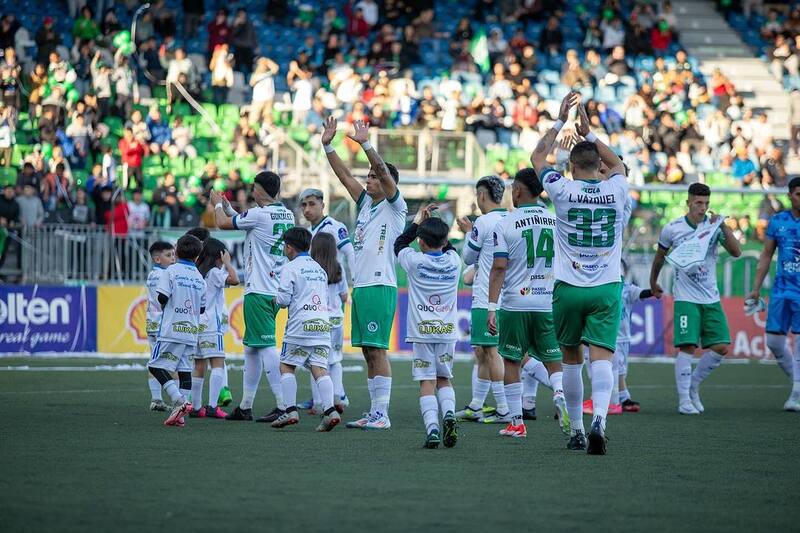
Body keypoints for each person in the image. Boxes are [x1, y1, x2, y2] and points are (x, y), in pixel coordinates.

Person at [531, 92, 628, 455]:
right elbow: (617, 165)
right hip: (606, 286)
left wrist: (560, 121)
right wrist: (589, 134)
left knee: (571, 357)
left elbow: (537, 157)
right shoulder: (617, 189)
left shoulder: (563, 190)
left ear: (571, 167)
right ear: (595, 165)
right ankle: (600, 418)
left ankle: (576, 430)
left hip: (568, 286)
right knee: (602, 356)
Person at [321, 117, 407, 430]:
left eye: (373, 177)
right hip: (363, 287)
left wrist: (366, 144)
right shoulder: (366, 204)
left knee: (378, 349)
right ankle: (374, 411)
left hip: (380, 285)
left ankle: (382, 414)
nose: (368, 180)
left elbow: (383, 171)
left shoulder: (396, 206)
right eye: (368, 177)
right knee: (368, 351)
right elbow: (344, 176)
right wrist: (328, 146)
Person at [485, 168, 569, 439]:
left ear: (518, 190)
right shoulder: (555, 221)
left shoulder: (506, 223)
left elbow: (499, 267)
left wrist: (490, 307)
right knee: (553, 358)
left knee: (511, 360)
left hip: (515, 303)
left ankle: (517, 423)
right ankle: (558, 391)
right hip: (548, 301)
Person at [650, 183, 742, 415]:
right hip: (685, 297)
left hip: (710, 296)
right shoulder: (672, 228)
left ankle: (693, 385)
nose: (703, 208)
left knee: (721, 347)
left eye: (706, 204)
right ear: (688, 202)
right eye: (699, 203)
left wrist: (723, 226)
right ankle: (683, 401)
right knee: (688, 346)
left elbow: (736, 252)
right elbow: (660, 257)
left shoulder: (713, 228)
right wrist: (653, 281)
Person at [210, 171, 293, 423]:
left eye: (253, 187)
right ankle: (246, 405)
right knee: (251, 349)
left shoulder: (258, 214)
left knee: (266, 346)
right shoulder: (286, 213)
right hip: (275, 286)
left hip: (259, 288)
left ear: (259, 190)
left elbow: (222, 225)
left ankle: (283, 405)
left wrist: (215, 204)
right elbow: (246, 221)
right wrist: (228, 207)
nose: (250, 191)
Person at [395, 205, 460, 448]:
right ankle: (450, 414)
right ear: (444, 241)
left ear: (421, 242)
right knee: (444, 378)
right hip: (446, 332)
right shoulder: (454, 261)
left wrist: (417, 223)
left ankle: (433, 429)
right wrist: (438, 227)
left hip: (421, 333)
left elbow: (399, 244)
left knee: (426, 382)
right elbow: (449, 247)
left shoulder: (414, 261)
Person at [270, 227, 341, 432]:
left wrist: (274, 299)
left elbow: (283, 301)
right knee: (320, 369)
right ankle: (330, 411)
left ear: (289, 247)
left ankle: (290, 410)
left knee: (286, 366)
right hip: (321, 325)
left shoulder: (289, 268)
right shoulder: (319, 268)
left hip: (299, 326)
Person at [454, 176, 509, 423]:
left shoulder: (483, 222)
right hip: (508, 296)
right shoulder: (511, 218)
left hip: (487, 297)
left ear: (482, 195)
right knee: (483, 352)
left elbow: (467, 257)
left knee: (490, 351)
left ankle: (504, 409)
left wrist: (468, 233)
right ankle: (477, 405)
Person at [748, 177, 800, 411]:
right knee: (774, 342)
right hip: (781, 291)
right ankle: (798, 384)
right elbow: (766, 255)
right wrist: (756, 288)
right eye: (798, 194)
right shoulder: (778, 221)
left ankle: (796, 393)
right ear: (789, 195)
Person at [148, 234, 206, 427]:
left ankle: (180, 401)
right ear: (197, 257)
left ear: (177, 251)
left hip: (171, 329)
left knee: (155, 366)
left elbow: (162, 297)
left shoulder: (171, 271)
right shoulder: (199, 277)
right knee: (184, 371)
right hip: (191, 332)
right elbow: (202, 308)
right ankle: (179, 416)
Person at [190, 238, 239, 419]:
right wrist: (228, 264)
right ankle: (211, 406)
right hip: (211, 324)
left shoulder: (197, 273)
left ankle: (195, 408)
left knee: (199, 365)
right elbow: (235, 280)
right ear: (218, 256)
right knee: (217, 363)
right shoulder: (215, 273)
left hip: (196, 325)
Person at [310, 233, 349, 414]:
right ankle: (338, 395)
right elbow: (344, 296)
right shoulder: (338, 267)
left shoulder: (312, 269)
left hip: (319, 319)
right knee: (336, 360)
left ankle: (319, 403)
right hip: (336, 319)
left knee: (316, 361)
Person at [300, 188, 356, 282]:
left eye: (312, 204)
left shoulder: (334, 226)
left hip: (333, 285)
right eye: (304, 205)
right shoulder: (307, 232)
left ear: (322, 205)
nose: (307, 209)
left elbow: (349, 252)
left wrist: (355, 279)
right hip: (315, 286)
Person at [145, 241, 176, 411]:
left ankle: (156, 399)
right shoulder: (162, 275)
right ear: (157, 259)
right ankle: (179, 399)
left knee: (154, 360)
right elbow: (164, 298)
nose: (173, 259)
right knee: (173, 362)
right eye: (168, 255)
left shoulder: (152, 274)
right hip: (162, 324)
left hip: (152, 322)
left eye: (173, 255)